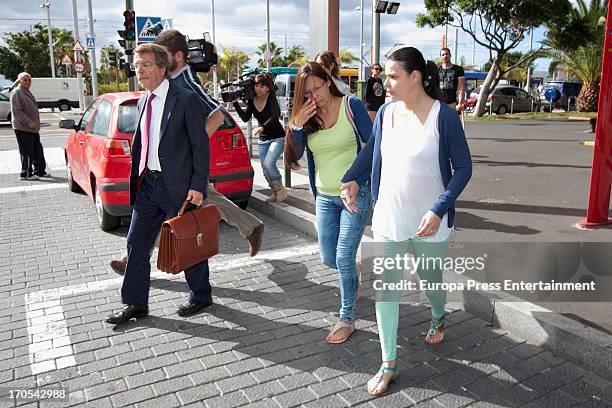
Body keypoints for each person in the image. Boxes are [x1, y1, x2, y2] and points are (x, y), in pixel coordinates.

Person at [340, 46, 472, 396]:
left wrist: (438, 208)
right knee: (386, 290)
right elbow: (371, 151)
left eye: (393, 75)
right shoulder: (385, 112)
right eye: (385, 74)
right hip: (389, 215)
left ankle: (439, 315)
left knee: (431, 280)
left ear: (415, 77)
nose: (386, 81)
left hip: (431, 220)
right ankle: (388, 363)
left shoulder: (444, 116)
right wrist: (352, 178)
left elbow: (463, 168)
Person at [109, 30, 265, 276]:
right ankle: (251, 226)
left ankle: (133, 260)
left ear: (178, 57)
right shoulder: (168, 79)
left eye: (163, 55)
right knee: (195, 201)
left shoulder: (186, 80)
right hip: (171, 166)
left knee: (180, 208)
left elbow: (217, 113)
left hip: (185, 163)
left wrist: (191, 146)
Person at [105, 43, 211, 325]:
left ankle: (201, 294)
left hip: (177, 186)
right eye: (137, 65)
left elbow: (201, 147)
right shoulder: (143, 101)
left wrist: (198, 185)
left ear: (162, 68)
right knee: (135, 244)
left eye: (146, 65)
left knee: (187, 243)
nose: (140, 70)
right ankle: (135, 303)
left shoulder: (186, 99)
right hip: (147, 185)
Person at [285, 62, 373, 344]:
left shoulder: (351, 105)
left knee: (343, 255)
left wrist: (354, 179)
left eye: (318, 87)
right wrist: (296, 125)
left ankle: (347, 318)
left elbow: (373, 147)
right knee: (329, 257)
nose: (315, 96)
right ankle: (353, 273)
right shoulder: (305, 117)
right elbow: (293, 156)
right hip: (324, 196)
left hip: (355, 192)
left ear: (328, 80)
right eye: (307, 92)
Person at [233, 73, 287, 203]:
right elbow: (245, 118)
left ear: (268, 88)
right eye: (257, 85)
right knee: (265, 168)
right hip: (263, 139)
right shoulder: (252, 100)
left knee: (269, 164)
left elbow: (275, 116)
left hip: (277, 137)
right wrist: (235, 103)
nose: (259, 88)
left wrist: (261, 127)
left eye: (262, 86)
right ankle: (275, 192)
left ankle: (281, 191)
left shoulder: (271, 97)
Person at [10, 72, 51, 181]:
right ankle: (26, 174)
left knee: (38, 150)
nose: (28, 82)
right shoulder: (17, 92)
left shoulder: (26, 91)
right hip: (23, 128)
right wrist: (28, 121)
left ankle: (40, 171)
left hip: (33, 128)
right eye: (25, 80)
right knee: (27, 152)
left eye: (29, 80)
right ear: (19, 81)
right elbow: (17, 111)